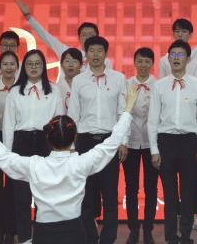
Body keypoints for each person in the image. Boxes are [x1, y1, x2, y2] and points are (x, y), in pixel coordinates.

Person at [0, 84, 140, 244]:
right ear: (74, 137)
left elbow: (2, 156)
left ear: (48, 139)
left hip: (44, 233)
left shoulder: (35, 165)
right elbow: (112, 142)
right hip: (75, 232)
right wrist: (127, 110)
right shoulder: (81, 163)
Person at [148, 40, 197, 244]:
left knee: (188, 191)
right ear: (168, 58)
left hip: (189, 142)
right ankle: (171, 236)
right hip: (165, 142)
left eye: (180, 54)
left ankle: (185, 235)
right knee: (169, 193)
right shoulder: (159, 86)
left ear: (188, 59)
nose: (176, 58)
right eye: (172, 55)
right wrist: (154, 150)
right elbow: (152, 120)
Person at [70, 36, 127, 244]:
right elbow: (74, 114)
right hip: (85, 142)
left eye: (99, 50)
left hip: (109, 142)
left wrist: (123, 141)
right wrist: (71, 146)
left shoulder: (118, 78)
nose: (95, 54)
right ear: (86, 54)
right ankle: (90, 238)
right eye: (91, 50)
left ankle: (108, 239)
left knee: (110, 195)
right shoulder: (78, 80)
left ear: (105, 53)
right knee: (86, 195)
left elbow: (122, 112)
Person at [3, 49, 60, 244]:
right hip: (22, 144)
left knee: (45, 195)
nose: (34, 67)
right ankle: (25, 238)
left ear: (44, 66)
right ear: (24, 67)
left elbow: (59, 122)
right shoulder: (15, 91)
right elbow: (8, 125)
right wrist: (7, 156)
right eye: (30, 64)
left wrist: (59, 151)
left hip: (46, 143)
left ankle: (44, 237)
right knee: (22, 196)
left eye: (38, 63)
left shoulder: (54, 90)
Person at [14, 0, 113, 77]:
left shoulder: (106, 62)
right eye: (84, 35)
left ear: (97, 37)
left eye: (91, 35)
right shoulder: (67, 52)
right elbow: (46, 36)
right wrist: (28, 16)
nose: (88, 38)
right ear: (79, 38)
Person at [122, 47, 159, 244]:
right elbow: (122, 113)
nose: (143, 65)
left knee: (151, 187)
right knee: (131, 187)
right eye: (140, 61)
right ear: (134, 62)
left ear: (152, 64)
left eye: (147, 61)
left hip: (152, 144)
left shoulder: (159, 86)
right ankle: (133, 229)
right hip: (130, 142)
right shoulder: (126, 84)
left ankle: (148, 228)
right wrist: (123, 141)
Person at [0, 50, 21, 244]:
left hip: (17, 140)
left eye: (12, 64)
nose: (9, 67)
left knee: (13, 188)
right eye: (5, 64)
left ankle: (11, 231)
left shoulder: (22, 88)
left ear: (17, 67)